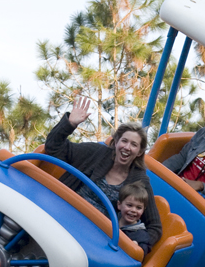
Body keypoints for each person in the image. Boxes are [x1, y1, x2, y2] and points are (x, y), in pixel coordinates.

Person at [44, 96, 161, 248]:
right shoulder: (97, 153)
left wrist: (137, 243)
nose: (127, 147)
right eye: (124, 141)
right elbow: (54, 147)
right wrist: (70, 123)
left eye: (134, 145)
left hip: (94, 234)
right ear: (116, 142)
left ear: (139, 152)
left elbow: (155, 227)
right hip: (65, 211)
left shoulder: (139, 181)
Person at [117, 182, 152, 254]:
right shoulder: (112, 218)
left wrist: (136, 248)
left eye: (138, 208)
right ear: (119, 205)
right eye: (129, 205)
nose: (133, 210)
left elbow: (143, 252)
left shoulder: (141, 235)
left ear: (143, 210)